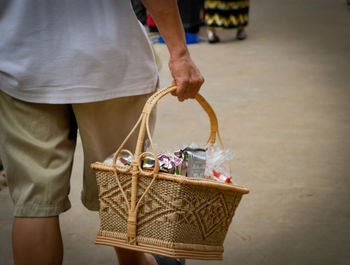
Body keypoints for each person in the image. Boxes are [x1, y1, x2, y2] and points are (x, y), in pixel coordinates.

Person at [0, 1, 204, 265]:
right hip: (110, 62)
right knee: (120, 186)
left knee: (35, 202)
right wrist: (180, 53)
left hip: (24, 62)